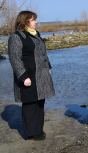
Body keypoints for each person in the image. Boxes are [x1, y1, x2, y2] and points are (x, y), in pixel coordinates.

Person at [8, 11, 55, 141]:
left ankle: (38, 129)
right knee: (30, 105)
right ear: (25, 21)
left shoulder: (36, 34)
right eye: (33, 20)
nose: (36, 22)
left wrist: (48, 67)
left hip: (40, 75)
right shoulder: (17, 37)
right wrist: (23, 76)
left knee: (40, 102)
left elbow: (42, 53)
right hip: (28, 77)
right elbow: (14, 59)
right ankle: (31, 132)